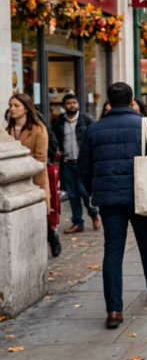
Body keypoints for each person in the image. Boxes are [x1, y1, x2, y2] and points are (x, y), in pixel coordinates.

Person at [77, 83, 147, 329]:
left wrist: (93, 191)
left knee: (113, 251)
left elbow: (83, 168)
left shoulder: (94, 129)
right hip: (143, 196)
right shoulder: (146, 125)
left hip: (109, 200)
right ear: (132, 102)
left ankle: (114, 311)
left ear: (109, 102)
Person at [7, 94, 57, 256]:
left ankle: (52, 237)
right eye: (10, 105)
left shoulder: (38, 129)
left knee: (39, 214)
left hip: (34, 178)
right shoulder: (7, 130)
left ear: (27, 108)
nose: (12, 109)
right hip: (12, 179)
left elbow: (41, 159)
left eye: (16, 106)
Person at [51, 93, 100, 233]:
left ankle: (94, 214)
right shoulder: (58, 122)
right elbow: (54, 140)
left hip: (83, 163)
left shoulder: (87, 119)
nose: (71, 105)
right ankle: (78, 223)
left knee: (84, 192)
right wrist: (56, 150)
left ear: (78, 104)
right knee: (72, 194)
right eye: (68, 103)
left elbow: (95, 139)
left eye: (74, 102)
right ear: (63, 106)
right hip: (67, 163)